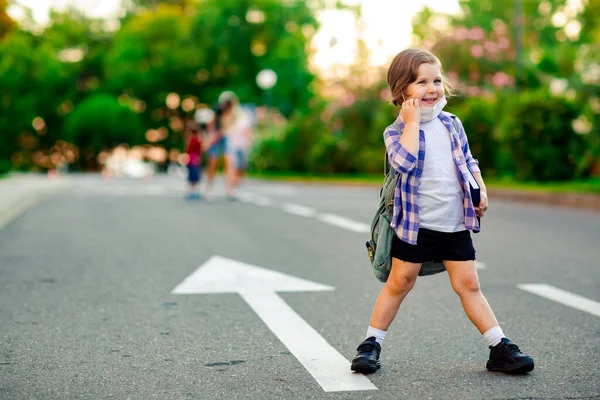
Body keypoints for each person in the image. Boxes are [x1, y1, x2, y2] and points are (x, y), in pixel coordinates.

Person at [350, 48, 534, 375]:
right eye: (421, 82)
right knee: (399, 282)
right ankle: (371, 344)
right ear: (402, 90)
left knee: (469, 285)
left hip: (454, 222)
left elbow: (468, 160)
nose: (432, 88)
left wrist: (481, 188)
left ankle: (499, 347)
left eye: (436, 80)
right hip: (414, 226)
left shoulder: (451, 123)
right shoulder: (396, 131)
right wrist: (410, 122)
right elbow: (404, 163)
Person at [218, 91, 254, 199]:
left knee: (241, 166)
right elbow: (224, 128)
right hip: (230, 142)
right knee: (230, 165)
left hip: (241, 142)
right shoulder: (224, 114)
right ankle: (229, 190)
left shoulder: (242, 113)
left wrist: (248, 141)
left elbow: (247, 128)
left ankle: (235, 182)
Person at [184, 124, 203, 200]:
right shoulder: (197, 140)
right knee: (194, 177)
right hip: (195, 160)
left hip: (192, 160)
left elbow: (188, 151)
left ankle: (192, 192)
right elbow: (199, 151)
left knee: (192, 177)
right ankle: (193, 192)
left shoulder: (192, 140)